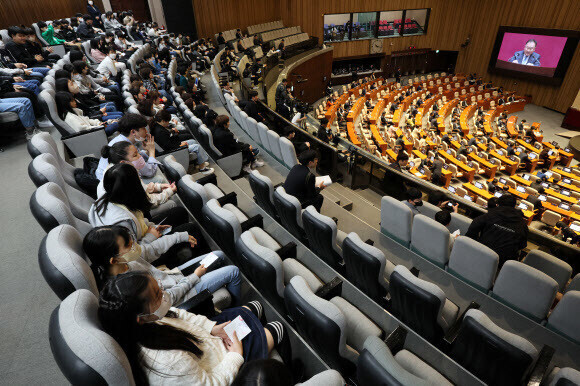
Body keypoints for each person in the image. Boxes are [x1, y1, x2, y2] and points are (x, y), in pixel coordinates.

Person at [98, 272, 286, 385]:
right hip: (225, 365)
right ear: (140, 318)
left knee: (254, 307)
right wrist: (236, 355)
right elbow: (211, 384)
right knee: (278, 328)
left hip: (210, 341)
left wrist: (212, 328)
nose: (164, 295)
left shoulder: (146, 319)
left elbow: (179, 315)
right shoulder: (168, 363)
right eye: (157, 295)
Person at [83, 225, 242, 304]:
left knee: (218, 255)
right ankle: (235, 305)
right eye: (129, 245)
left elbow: (152, 249)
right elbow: (168, 300)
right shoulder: (128, 286)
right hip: (180, 296)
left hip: (174, 278)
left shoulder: (128, 258)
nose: (135, 247)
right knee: (234, 271)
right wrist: (195, 277)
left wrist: (181, 236)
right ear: (114, 260)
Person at [465, 194, 528, 268]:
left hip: (482, 254)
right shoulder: (522, 224)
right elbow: (522, 245)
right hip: (504, 265)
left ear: (498, 204)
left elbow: (473, 229)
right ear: (514, 206)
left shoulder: (490, 214)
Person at [95, 113, 159, 180]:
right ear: (133, 132)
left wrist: (147, 151)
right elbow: (150, 171)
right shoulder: (125, 147)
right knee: (158, 179)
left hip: (106, 178)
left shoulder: (121, 139)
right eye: (143, 128)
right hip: (112, 184)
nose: (146, 131)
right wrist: (152, 150)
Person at [149, 109, 213, 173]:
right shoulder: (160, 132)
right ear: (163, 121)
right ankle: (202, 168)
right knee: (197, 147)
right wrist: (181, 145)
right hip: (174, 150)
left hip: (174, 144)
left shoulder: (157, 126)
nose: (168, 123)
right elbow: (168, 146)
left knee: (193, 141)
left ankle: (200, 162)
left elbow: (167, 140)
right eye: (168, 121)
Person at [55, 91, 119, 134]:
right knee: (117, 124)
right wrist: (99, 126)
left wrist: (98, 123)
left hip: (97, 128)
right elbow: (84, 129)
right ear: (65, 103)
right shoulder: (70, 118)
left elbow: (87, 119)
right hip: (96, 133)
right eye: (72, 101)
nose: (75, 102)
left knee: (116, 121)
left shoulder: (74, 111)